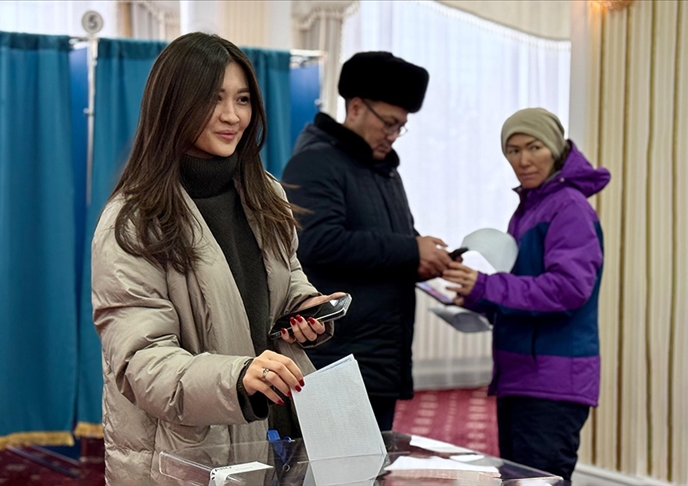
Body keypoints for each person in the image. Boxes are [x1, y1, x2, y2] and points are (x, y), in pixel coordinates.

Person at [90, 32, 344, 485]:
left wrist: (305, 309)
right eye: (213, 99)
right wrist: (238, 377)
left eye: (242, 99)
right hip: (183, 457)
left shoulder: (265, 192)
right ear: (174, 105)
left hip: (278, 435)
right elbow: (142, 364)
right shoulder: (134, 222)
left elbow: (286, 279)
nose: (232, 116)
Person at [282, 51, 453, 431]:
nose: (393, 135)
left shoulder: (384, 171)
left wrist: (423, 259)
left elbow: (387, 241)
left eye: (400, 127)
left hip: (379, 356)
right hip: (336, 357)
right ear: (356, 108)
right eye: (389, 123)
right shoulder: (315, 163)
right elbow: (316, 243)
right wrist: (410, 251)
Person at [443, 107, 610, 483]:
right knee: (519, 479)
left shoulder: (569, 208)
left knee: (536, 481)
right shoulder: (531, 208)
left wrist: (486, 286)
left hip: (553, 380)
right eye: (513, 150)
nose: (523, 160)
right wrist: (476, 295)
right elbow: (526, 289)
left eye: (534, 147)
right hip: (523, 375)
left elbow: (568, 290)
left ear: (555, 148)